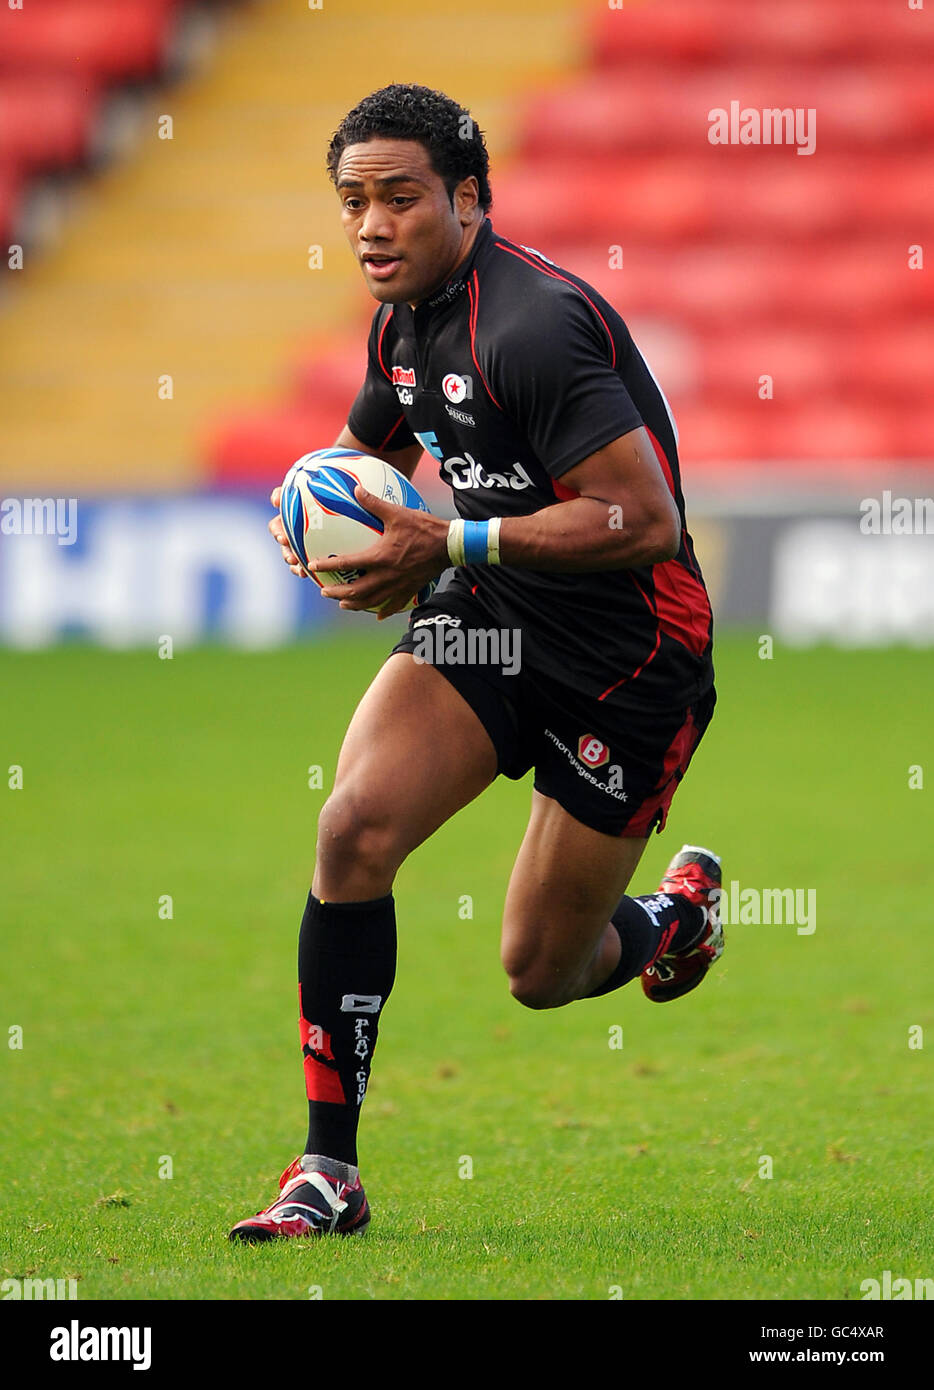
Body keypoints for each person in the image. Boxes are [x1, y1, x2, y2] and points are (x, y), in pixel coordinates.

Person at [229, 83, 722, 1242]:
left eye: (398, 198)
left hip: (630, 656)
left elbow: (641, 520)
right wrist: (321, 517)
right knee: (352, 828)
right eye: (353, 200)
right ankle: (327, 1170)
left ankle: (670, 923)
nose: (370, 225)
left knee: (541, 971)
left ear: (467, 197)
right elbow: (364, 446)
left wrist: (442, 538)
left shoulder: (532, 326)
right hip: (494, 614)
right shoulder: (399, 322)